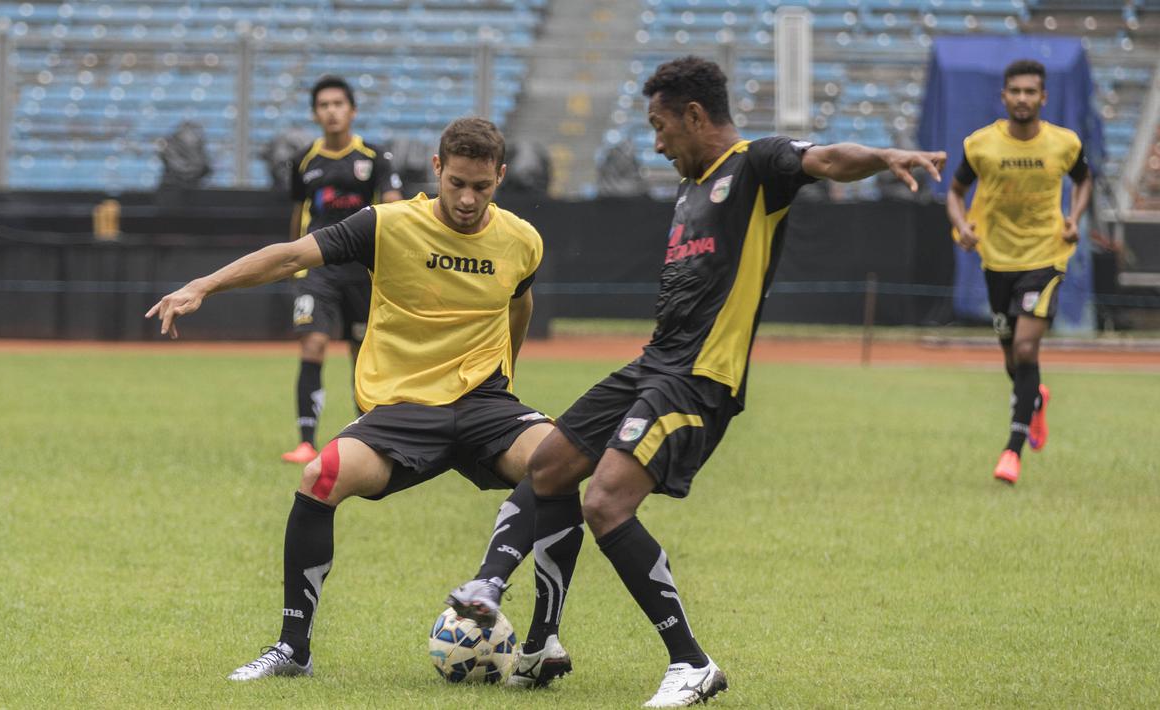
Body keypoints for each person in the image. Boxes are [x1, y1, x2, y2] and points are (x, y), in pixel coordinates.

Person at [448, 56, 946, 708]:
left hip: (699, 380)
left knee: (604, 504)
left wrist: (881, 156)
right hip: (654, 363)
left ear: (692, 115)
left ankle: (691, 664)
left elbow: (826, 159)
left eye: (659, 127)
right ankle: (538, 639)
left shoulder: (755, 166)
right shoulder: (688, 188)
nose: (655, 144)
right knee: (547, 466)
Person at [146, 117, 555, 682]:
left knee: (561, 459)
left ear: (501, 177)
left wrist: (504, 372)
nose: (466, 198)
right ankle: (294, 649)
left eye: (481, 187)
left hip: (484, 400)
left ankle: (532, 635)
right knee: (320, 475)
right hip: (403, 406)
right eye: (456, 182)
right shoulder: (386, 225)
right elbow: (291, 255)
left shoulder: (522, 239)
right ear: (436, 169)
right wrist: (202, 286)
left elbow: (519, 302)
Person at [946, 59, 1092, 485]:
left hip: (1045, 257)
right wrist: (961, 223)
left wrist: (1075, 217)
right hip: (997, 260)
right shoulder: (981, 145)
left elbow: (1084, 181)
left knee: (1027, 350)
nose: (1023, 98)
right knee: (1013, 357)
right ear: (1004, 96)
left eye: (1031, 92)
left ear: (1043, 97)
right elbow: (955, 191)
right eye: (1016, 91)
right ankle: (1035, 400)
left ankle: (1012, 451)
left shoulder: (1064, 144)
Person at [281, 75, 404, 465]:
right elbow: (299, 214)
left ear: (352, 110)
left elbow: (394, 210)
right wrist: (293, 261)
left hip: (364, 273)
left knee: (362, 354)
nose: (331, 111)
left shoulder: (374, 157)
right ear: (315, 113)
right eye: (324, 105)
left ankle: (367, 437)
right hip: (317, 269)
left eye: (338, 104)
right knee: (313, 343)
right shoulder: (304, 160)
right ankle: (305, 441)